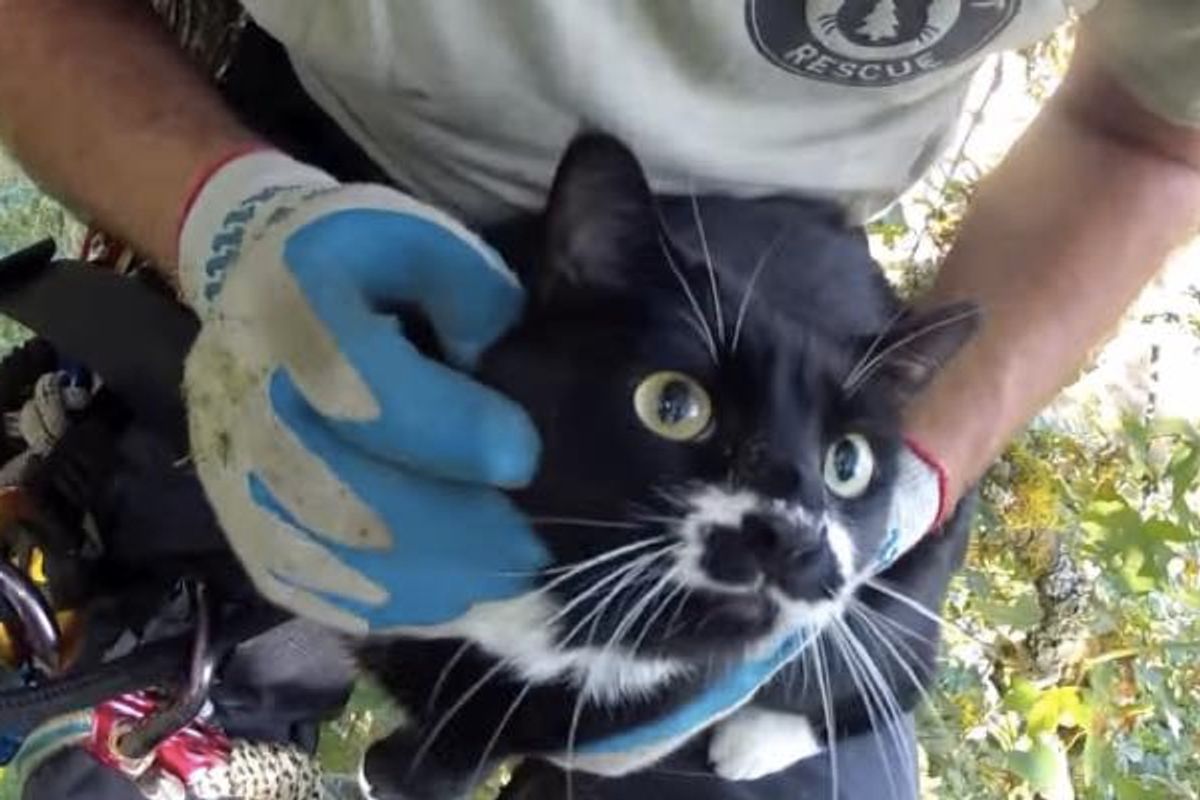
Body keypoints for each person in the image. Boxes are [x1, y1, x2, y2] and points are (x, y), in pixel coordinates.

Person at [0, 1, 1197, 797]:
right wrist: (228, 221)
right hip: (306, 179)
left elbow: (1152, 130)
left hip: (804, 319)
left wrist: (913, 473)